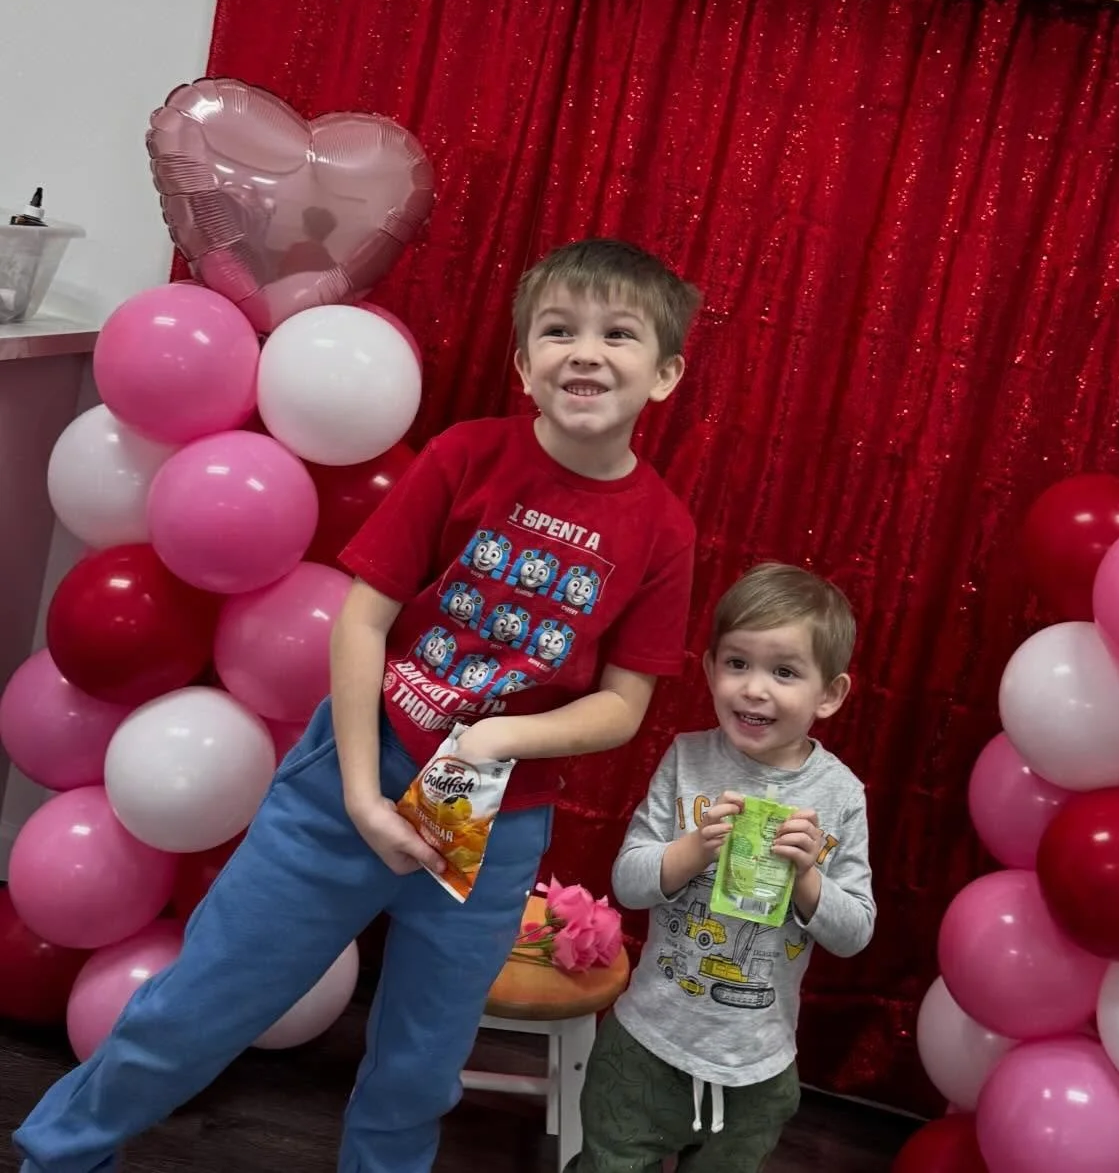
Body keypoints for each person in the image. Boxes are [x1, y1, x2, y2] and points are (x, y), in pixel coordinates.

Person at [16, 238, 703, 1173]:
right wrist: (360, 794)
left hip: (491, 819)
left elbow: (622, 706)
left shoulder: (663, 529)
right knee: (202, 1000)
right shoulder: (467, 456)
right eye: (558, 330)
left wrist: (498, 733)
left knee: (420, 1066)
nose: (585, 351)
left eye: (618, 335)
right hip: (354, 770)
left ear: (663, 374)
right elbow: (360, 624)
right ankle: (59, 1152)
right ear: (523, 363)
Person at [572, 564, 874, 1173]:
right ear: (710, 668)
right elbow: (628, 884)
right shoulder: (687, 758)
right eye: (737, 664)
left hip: (756, 1067)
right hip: (646, 1044)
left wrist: (809, 878)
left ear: (830, 694)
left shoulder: (841, 795)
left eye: (784, 672)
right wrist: (692, 850)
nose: (754, 689)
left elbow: (855, 932)